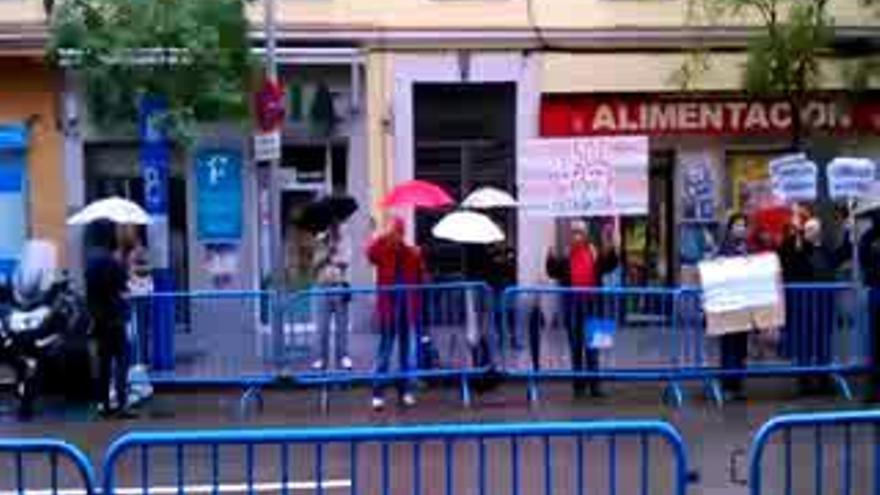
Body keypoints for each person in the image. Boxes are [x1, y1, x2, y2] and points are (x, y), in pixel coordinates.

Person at [545, 220, 618, 399]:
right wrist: (550, 256)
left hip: (594, 305)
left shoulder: (593, 251)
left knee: (594, 347)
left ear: (586, 235)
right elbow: (553, 271)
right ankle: (578, 386)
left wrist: (611, 246)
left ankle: (595, 386)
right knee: (576, 346)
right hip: (573, 306)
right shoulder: (566, 254)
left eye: (580, 232)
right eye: (574, 232)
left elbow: (609, 265)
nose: (577, 235)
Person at [778, 216, 850, 395]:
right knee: (805, 343)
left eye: (815, 229)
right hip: (803, 305)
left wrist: (848, 233)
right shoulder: (798, 249)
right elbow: (786, 255)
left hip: (823, 304)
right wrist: (794, 234)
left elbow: (839, 257)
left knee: (822, 343)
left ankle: (823, 378)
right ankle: (805, 380)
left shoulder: (824, 250)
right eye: (808, 229)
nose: (812, 232)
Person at [366, 217, 427, 410]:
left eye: (398, 233)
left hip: (405, 309)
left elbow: (422, 277)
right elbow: (370, 254)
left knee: (404, 353)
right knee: (385, 350)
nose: (396, 237)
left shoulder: (411, 253)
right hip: (389, 309)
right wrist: (381, 237)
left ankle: (405, 391)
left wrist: (419, 256)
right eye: (394, 232)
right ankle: (378, 392)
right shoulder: (383, 249)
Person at [85, 220, 133, 418]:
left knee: (103, 364)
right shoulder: (112, 262)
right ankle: (121, 404)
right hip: (115, 319)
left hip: (99, 320)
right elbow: (123, 286)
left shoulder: (91, 261)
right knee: (122, 360)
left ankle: (103, 404)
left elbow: (89, 292)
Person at [717, 213, 751, 400]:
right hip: (729, 305)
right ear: (730, 229)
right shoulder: (726, 248)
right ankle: (728, 385)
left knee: (740, 347)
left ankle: (737, 384)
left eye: (743, 225)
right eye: (737, 225)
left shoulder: (747, 248)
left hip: (743, 306)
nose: (741, 228)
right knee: (729, 346)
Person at [312, 223, 352, 371]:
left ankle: (343, 358)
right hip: (322, 287)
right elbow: (314, 264)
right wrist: (326, 252)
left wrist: (334, 255)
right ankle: (321, 359)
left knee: (342, 326)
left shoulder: (344, 239)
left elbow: (345, 261)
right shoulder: (319, 241)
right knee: (322, 328)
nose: (332, 228)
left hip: (339, 286)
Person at [859, 211, 880, 402]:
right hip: (876, 289)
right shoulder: (868, 238)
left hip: (875, 289)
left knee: (874, 341)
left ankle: (873, 387)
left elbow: (863, 260)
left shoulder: (867, 237)